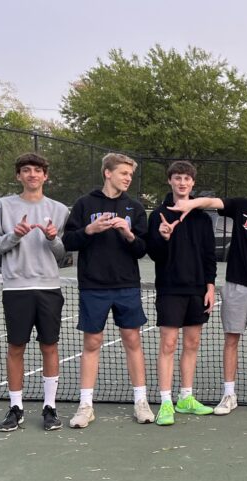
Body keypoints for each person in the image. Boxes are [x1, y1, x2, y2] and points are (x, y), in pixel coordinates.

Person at [170, 165, 247, 415]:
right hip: (234, 286)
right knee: (231, 340)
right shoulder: (241, 206)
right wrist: (190, 204)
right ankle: (228, 395)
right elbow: (211, 201)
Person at [63, 153, 153, 428]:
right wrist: (89, 229)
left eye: (130, 175)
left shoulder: (135, 208)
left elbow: (141, 249)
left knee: (133, 341)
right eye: (123, 173)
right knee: (91, 344)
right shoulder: (84, 204)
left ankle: (141, 402)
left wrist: (128, 234)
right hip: (93, 286)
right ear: (108, 173)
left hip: (126, 286)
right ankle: (85, 406)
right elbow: (68, 241)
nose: (127, 178)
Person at [0, 152, 69, 432]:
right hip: (16, 289)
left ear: (45, 175)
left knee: (49, 346)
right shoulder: (2, 205)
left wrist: (51, 238)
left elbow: (61, 255)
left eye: (37, 170)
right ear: (18, 175)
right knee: (16, 348)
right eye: (26, 170)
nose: (32, 174)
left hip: (49, 288)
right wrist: (15, 235)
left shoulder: (59, 209)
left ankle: (50, 408)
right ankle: (16, 409)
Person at [145, 161, 217, 426]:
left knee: (192, 344)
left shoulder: (201, 217)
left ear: (193, 183)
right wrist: (163, 237)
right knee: (168, 344)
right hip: (170, 289)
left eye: (187, 178)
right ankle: (165, 402)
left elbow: (210, 256)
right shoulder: (158, 215)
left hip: (197, 290)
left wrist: (210, 286)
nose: (182, 182)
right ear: (170, 181)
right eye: (177, 178)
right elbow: (154, 254)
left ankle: (186, 397)